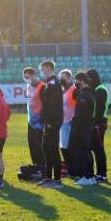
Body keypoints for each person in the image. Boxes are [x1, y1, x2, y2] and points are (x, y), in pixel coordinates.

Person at [38, 60, 64, 189]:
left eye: (43, 69)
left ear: (49, 68)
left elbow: (53, 105)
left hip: (52, 122)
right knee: (46, 148)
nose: (42, 72)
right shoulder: (49, 83)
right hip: (48, 121)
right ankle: (48, 177)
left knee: (52, 149)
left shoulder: (54, 83)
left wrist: (49, 122)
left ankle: (57, 179)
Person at [70, 71, 98, 186]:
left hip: (83, 127)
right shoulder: (89, 92)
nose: (75, 83)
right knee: (87, 151)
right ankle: (90, 176)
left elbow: (81, 113)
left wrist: (74, 121)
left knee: (83, 152)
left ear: (81, 80)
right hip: (88, 126)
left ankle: (86, 176)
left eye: (76, 80)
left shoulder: (85, 95)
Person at [23, 67, 46, 178]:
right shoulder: (28, 86)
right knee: (32, 144)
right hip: (31, 121)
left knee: (39, 146)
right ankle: (36, 167)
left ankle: (42, 168)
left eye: (28, 77)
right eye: (25, 77)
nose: (26, 79)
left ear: (33, 75)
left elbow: (46, 105)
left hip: (39, 122)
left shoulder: (42, 87)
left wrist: (42, 120)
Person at [87, 69, 109, 183]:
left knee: (99, 149)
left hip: (99, 122)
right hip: (97, 122)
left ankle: (102, 174)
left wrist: (96, 123)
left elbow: (101, 108)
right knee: (95, 148)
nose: (88, 81)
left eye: (89, 78)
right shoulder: (97, 89)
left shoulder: (100, 90)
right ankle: (99, 173)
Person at [59, 70, 76, 178]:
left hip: (69, 122)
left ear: (69, 77)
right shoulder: (64, 90)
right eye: (60, 78)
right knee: (64, 147)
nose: (62, 80)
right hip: (63, 121)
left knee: (68, 147)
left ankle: (72, 169)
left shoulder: (73, 89)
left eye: (63, 77)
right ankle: (68, 168)